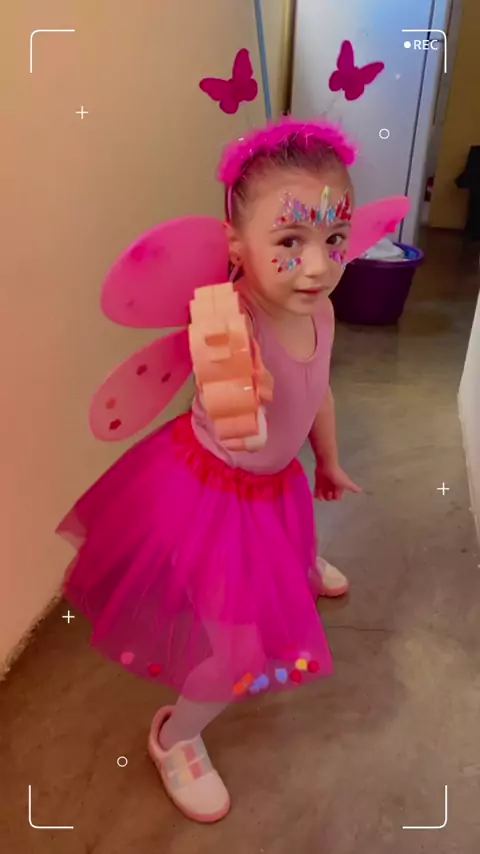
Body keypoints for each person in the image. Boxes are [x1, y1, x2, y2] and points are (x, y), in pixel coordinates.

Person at [57, 119, 365, 823]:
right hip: (214, 497)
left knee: (290, 534)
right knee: (236, 652)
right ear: (236, 246)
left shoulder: (321, 311)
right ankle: (176, 737)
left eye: (335, 239)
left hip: (275, 483)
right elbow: (236, 406)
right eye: (290, 241)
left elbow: (318, 391)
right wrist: (241, 383)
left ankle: (298, 567)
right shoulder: (230, 321)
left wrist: (328, 459)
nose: (318, 267)